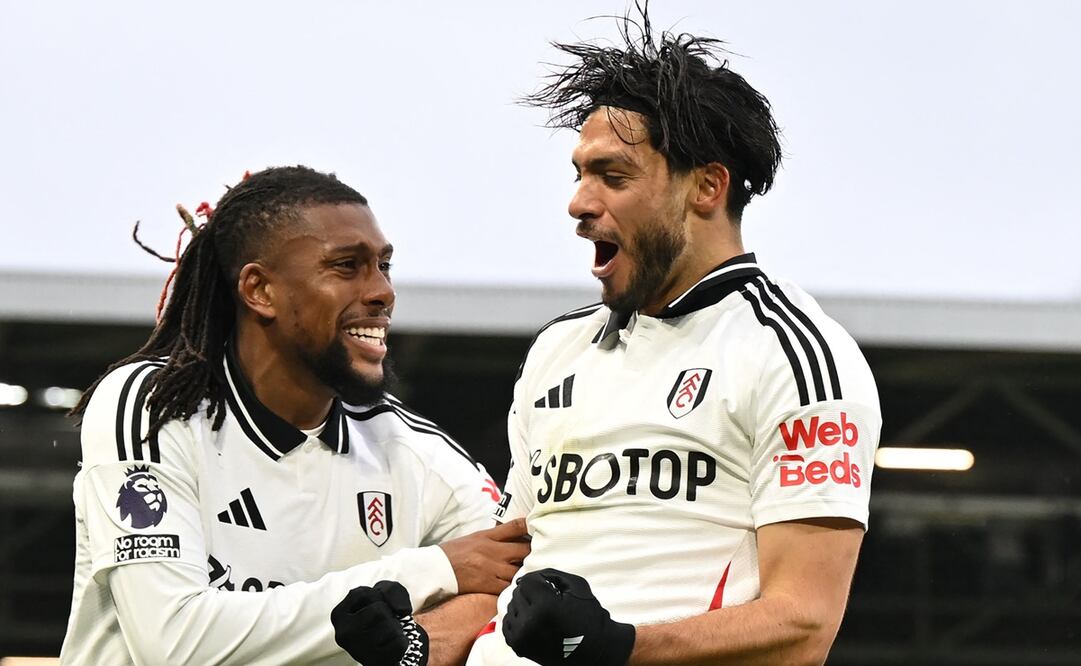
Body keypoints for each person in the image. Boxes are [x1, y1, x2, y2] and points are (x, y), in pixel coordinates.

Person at [463, 7, 882, 666]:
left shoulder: (794, 354)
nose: (577, 202)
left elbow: (804, 623)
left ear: (707, 187)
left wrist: (618, 647)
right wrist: (415, 636)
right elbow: (513, 564)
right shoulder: (557, 349)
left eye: (612, 175)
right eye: (578, 172)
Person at [60, 165, 529, 665]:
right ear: (260, 290)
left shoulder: (414, 450)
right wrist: (431, 571)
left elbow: (522, 584)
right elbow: (174, 642)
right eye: (347, 266)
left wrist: (419, 644)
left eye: (383, 266)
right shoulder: (155, 406)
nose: (382, 292)